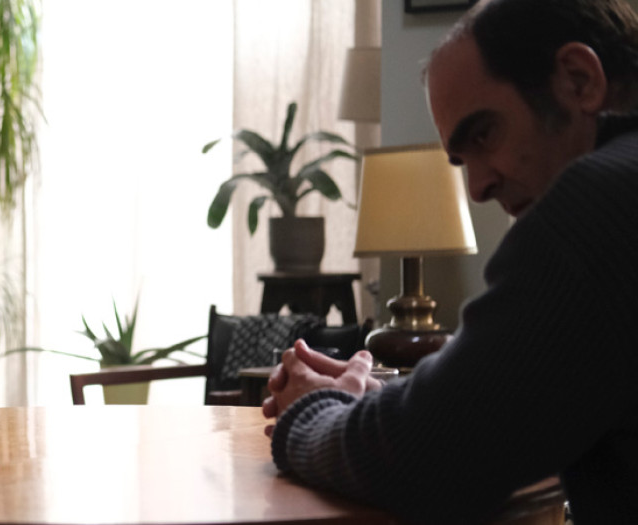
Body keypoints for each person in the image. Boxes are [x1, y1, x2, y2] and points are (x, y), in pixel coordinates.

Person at [263, 0, 638, 523]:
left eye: (484, 134)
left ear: (579, 80)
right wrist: (398, 401)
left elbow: (423, 461)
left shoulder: (598, 204)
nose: (478, 187)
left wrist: (308, 408)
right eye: (461, 160)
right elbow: (506, 415)